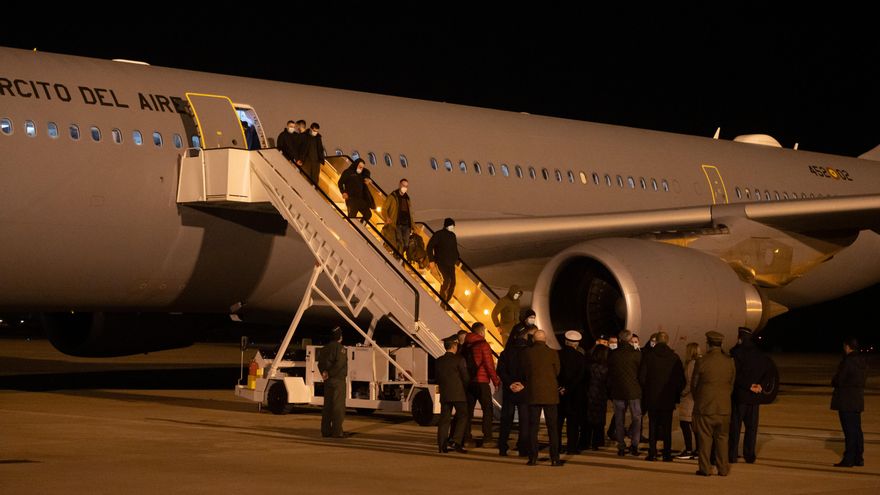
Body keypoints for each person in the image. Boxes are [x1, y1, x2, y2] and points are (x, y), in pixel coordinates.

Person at [692, 331, 736, 476]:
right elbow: (731, 385)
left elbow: (694, 385)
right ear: (721, 344)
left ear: (708, 344)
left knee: (705, 440)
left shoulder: (702, 361)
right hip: (724, 407)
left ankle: (705, 469)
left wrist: (699, 399)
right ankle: (723, 468)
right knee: (723, 439)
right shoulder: (729, 361)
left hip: (706, 407)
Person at [729, 327, 774, 464]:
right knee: (752, 427)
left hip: (741, 396)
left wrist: (749, 386)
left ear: (740, 338)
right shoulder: (760, 354)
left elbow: (735, 375)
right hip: (755, 397)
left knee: (735, 427)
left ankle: (732, 454)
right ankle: (749, 455)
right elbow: (769, 372)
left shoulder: (736, 353)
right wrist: (760, 385)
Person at [639, 331, 685, 461]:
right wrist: (674, 393)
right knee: (667, 427)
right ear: (667, 341)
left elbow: (642, 377)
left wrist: (649, 389)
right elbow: (681, 380)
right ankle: (666, 453)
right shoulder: (674, 357)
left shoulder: (649, 356)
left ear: (657, 341)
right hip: (668, 399)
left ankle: (652, 452)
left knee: (652, 426)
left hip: (652, 397)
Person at [522, 330, 563, 466]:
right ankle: (555, 458)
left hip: (533, 393)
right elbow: (557, 371)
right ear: (545, 340)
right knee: (552, 428)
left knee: (533, 427)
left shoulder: (527, 353)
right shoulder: (553, 353)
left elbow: (524, 371)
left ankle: (533, 457)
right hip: (550, 394)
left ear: (534, 340)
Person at [831, 336, 867, 467]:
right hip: (857, 399)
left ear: (847, 347)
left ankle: (849, 458)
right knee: (857, 429)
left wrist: (834, 380)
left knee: (849, 430)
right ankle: (859, 457)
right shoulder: (862, 361)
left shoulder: (848, 361)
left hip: (846, 400)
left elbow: (839, 380)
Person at [462, 322, 500, 447]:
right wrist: (496, 381)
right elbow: (489, 365)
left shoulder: (465, 345)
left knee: (468, 411)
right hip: (482, 382)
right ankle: (487, 438)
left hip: (469, 382)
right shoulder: (483, 344)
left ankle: (467, 438)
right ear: (481, 331)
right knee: (487, 410)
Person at [608, 329, 642, 457]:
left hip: (618, 391)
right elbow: (640, 373)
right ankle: (634, 444)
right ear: (630, 339)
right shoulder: (636, 354)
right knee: (637, 418)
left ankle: (621, 446)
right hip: (633, 391)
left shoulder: (613, 354)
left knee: (619, 420)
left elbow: (610, 373)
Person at [497, 332, 530, 456]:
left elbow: (500, 371)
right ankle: (523, 447)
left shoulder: (505, 353)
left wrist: (510, 383)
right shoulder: (529, 354)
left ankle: (502, 447)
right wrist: (523, 385)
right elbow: (531, 372)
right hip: (523, 391)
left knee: (506, 420)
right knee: (524, 420)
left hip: (509, 391)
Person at [435, 337, 469, 453]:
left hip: (445, 394)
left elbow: (437, 377)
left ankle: (441, 445)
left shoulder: (438, 360)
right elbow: (465, 377)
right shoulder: (459, 359)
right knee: (463, 416)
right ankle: (456, 441)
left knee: (444, 419)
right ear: (454, 346)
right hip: (459, 394)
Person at [557, 330, 587, 454]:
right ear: (576, 344)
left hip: (558, 394)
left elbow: (554, 372)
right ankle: (571, 447)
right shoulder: (581, 358)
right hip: (574, 394)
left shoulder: (557, 355)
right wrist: (568, 388)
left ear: (565, 341)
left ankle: (556, 446)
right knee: (573, 423)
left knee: (557, 423)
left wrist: (560, 387)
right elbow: (580, 376)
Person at [317, 327, 348, 438]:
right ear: (340, 337)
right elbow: (339, 364)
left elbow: (319, 364)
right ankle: (337, 431)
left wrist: (324, 373)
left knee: (327, 406)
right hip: (337, 380)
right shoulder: (340, 349)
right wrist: (330, 373)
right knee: (338, 407)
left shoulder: (324, 348)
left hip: (327, 381)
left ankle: (325, 431)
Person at [426, 218, 459, 309]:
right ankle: (442, 301)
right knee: (446, 280)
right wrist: (431, 260)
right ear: (447, 226)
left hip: (451, 263)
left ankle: (446, 302)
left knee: (453, 283)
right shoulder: (438, 234)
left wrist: (456, 257)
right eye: (452, 226)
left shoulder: (452, 235)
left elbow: (454, 248)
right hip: (441, 262)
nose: (453, 228)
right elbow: (429, 247)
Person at [676, 342, 701, 460]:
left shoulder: (691, 364)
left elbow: (691, 382)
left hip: (689, 399)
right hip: (696, 398)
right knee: (694, 425)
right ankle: (698, 450)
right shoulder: (700, 362)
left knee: (685, 424)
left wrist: (682, 393)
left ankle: (689, 449)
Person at [585, 344, 610, 450]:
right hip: (601, 395)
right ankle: (597, 442)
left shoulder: (588, 366)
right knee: (599, 420)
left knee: (588, 419)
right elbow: (608, 383)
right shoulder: (606, 368)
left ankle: (585, 441)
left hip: (589, 394)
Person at [382, 178, 413, 255]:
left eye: (406, 186)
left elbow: (410, 213)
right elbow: (384, 208)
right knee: (400, 243)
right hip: (396, 224)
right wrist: (387, 217)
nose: (404, 187)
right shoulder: (393, 196)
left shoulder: (407, 198)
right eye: (403, 185)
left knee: (406, 244)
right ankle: (398, 259)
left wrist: (413, 226)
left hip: (406, 225)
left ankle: (399, 257)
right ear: (399, 185)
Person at [338, 158, 373, 223]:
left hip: (360, 199)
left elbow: (367, 172)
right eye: (360, 167)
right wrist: (343, 192)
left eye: (362, 167)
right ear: (356, 165)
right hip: (351, 199)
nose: (361, 168)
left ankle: (361, 225)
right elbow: (340, 183)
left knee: (368, 214)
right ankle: (348, 230)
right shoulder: (348, 172)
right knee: (351, 217)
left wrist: (368, 179)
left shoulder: (362, 174)